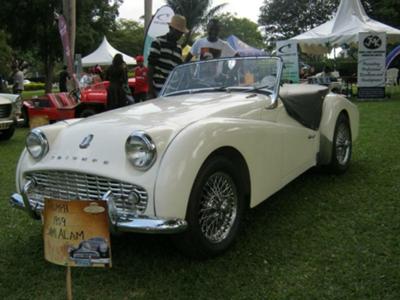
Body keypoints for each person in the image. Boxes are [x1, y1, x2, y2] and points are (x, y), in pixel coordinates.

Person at [147, 14, 188, 98]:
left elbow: (177, 70)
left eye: (181, 33)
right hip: (158, 89)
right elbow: (150, 67)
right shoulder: (158, 42)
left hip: (172, 90)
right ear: (170, 28)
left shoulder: (178, 48)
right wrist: (150, 91)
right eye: (177, 31)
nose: (179, 35)